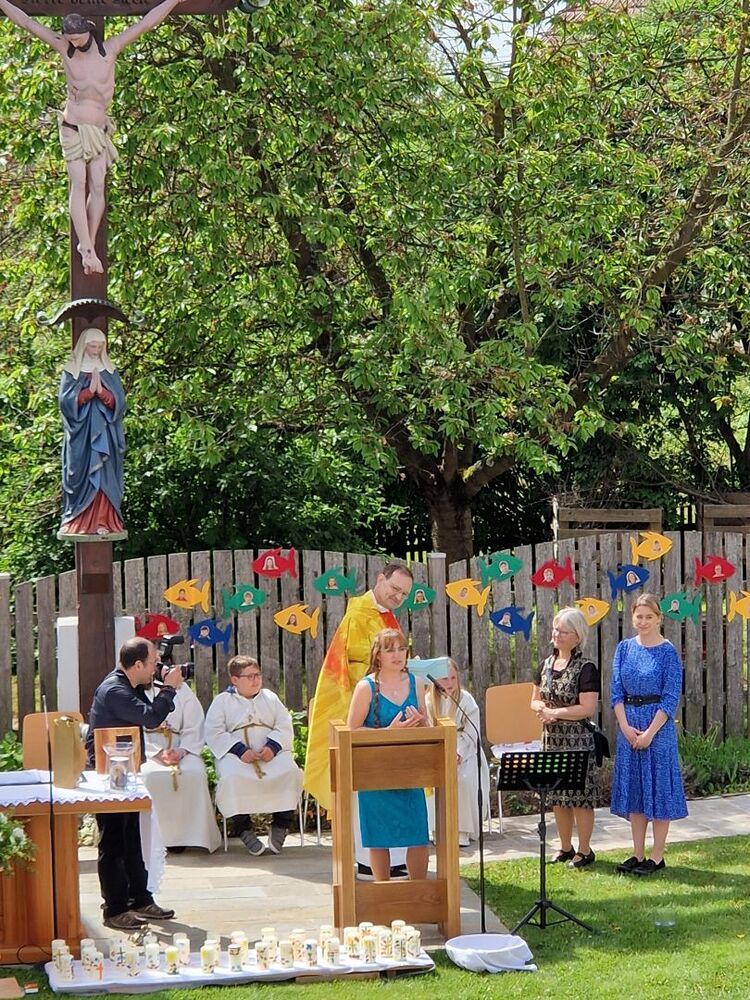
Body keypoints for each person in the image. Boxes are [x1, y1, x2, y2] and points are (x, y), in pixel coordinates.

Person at [0, 0, 187, 274]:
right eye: (70, 39)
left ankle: (89, 242)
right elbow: (27, 23)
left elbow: (147, 22)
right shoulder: (64, 48)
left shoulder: (110, 49)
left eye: (77, 39)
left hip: (98, 130)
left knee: (98, 185)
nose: (73, 43)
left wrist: (173, 0)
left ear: (87, 31)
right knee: (79, 181)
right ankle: (86, 247)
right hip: (73, 127)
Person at [303, 561, 414, 879]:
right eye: (394, 589)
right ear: (380, 579)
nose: (398, 597)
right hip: (366, 712)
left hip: (387, 709)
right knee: (366, 790)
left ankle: (395, 858)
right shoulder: (358, 615)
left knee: (391, 787)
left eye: (404, 594)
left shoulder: (385, 615)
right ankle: (368, 860)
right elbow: (353, 667)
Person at [87, 636, 183, 931]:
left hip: (125, 771)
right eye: (153, 663)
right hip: (109, 775)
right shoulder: (115, 690)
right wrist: (169, 689)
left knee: (131, 839)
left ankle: (139, 899)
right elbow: (151, 718)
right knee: (113, 842)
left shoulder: (129, 684)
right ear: (138, 664)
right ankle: (114, 909)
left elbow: (150, 710)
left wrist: (161, 683)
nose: (156, 668)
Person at [611, 593, 688, 876]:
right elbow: (616, 692)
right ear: (632, 618)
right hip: (629, 726)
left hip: (657, 728)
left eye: (649, 617)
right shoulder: (624, 649)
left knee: (658, 788)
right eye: (639, 616)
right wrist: (625, 727)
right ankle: (637, 853)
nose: (643, 621)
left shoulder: (668, 652)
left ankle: (657, 856)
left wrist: (649, 734)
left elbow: (670, 698)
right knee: (636, 789)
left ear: (659, 619)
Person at [346, 628, 429, 881]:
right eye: (390, 650)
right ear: (377, 655)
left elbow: (427, 726)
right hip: (376, 771)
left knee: (417, 833)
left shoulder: (416, 682)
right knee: (379, 836)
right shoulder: (366, 687)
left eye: (402, 649)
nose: (397, 655)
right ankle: (382, 889)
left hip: (410, 769)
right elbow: (351, 731)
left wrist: (421, 722)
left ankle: (418, 891)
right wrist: (388, 732)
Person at [204, 655, 303, 856]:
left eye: (257, 675)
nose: (255, 680)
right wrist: (240, 751)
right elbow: (214, 732)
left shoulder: (270, 698)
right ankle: (244, 829)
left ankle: (281, 824)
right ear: (235, 679)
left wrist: (272, 747)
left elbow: (284, 725)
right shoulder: (222, 701)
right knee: (232, 778)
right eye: (249, 676)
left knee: (290, 771)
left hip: (270, 755)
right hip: (236, 756)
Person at [530, 607, 600, 869]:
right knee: (557, 796)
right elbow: (533, 699)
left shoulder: (586, 668)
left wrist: (555, 713)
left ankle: (585, 850)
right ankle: (565, 846)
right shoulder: (545, 664)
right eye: (556, 629)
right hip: (551, 740)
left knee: (579, 798)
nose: (557, 634)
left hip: (577, 740)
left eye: (564, 631)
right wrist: (541, 708)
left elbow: (586, 708)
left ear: (577, 636)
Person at [141, 670, 222, 854]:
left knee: (195, 773)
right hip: (149, 750)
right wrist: (157, 752)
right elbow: (134, 727)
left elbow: (194, 725)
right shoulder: (137, 690)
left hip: (180, 747)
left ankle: (191, 837)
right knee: (150, 775)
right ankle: (157, 838)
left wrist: (182, 750)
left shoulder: (183, 691)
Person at [59, 327, 126, 535]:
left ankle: (104, 521)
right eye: (92, 347)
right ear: (84, 346)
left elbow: (119, 403)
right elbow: (65, 403)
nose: (96, 351)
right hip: (81, 435)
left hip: (105, 432)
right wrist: (88, 393)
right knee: (79, 472)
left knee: (104, 473)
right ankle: (77, 520)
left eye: (99, 347)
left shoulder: (109, 370)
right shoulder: (72, 370)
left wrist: (103, 393)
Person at [425, 660, 489, 847]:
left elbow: (471, 733)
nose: (450, 683)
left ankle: (462, 831)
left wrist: (458, 754)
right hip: (437, 750)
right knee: (433, 781)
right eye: (445, 678)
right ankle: (437, 829)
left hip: (466, 751)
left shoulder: (466, 700)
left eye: (453, 678)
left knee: (464, 780)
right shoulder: (428, 701)